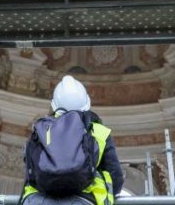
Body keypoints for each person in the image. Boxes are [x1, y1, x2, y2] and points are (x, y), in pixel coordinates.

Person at [21, 75, 124, 205]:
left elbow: (30, 171)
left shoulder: (42, 129)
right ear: (86, 104)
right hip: (84, 200)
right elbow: (115, 177)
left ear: (54, 105)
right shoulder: (99, 131)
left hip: (37, 200)